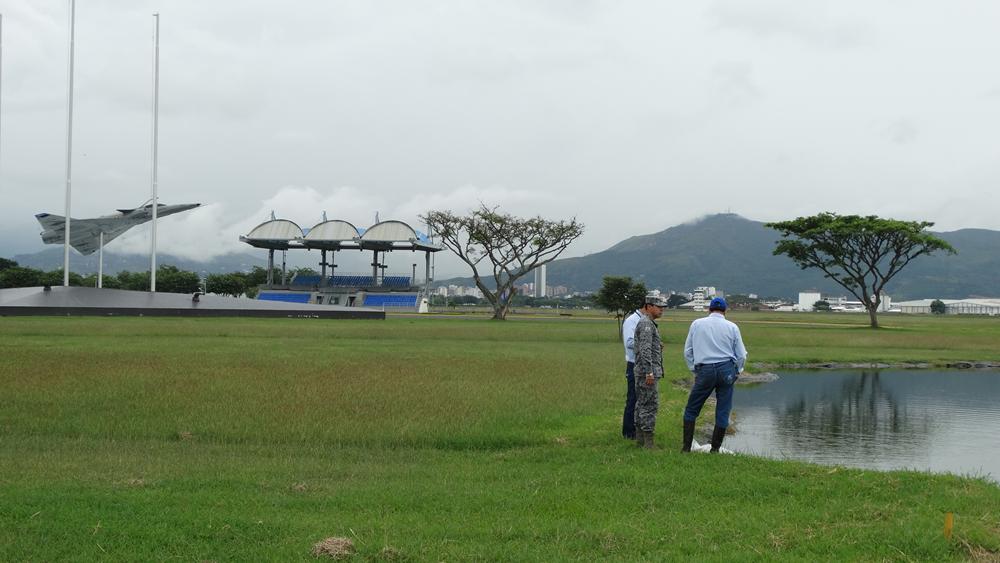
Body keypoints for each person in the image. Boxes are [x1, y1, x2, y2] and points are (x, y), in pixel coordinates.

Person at [681, 296, 748, 453]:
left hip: (705, 369)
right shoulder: (732, 327)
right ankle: (715, 449)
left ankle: (686, 448)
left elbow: (688, 351)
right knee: (723, 410)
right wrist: (738, 371)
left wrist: (695, 370)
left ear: (709, 309)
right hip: (726, 370)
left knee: (692, 409)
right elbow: (741, 355)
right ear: (725, 311)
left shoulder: (697, 324)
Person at [633, 293, 667, 448]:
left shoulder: (647, 323)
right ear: (648, 307)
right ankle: (648, 443)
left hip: (643, 370)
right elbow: (645, 349)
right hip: (647, 372)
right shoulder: (646, 324)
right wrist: (649, 372)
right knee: (649, 405)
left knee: (641, 404)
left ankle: (640, 440)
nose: (661, 310)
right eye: (658, 307)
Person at [621, 305, 644, 440]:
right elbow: (629, 342)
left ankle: (638, 430)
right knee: (633, 399)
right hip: (634, 363)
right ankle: (629, 432)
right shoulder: (632, 320)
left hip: (642, 364)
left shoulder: (643, 320)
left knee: (641, 399)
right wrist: (649, 343)